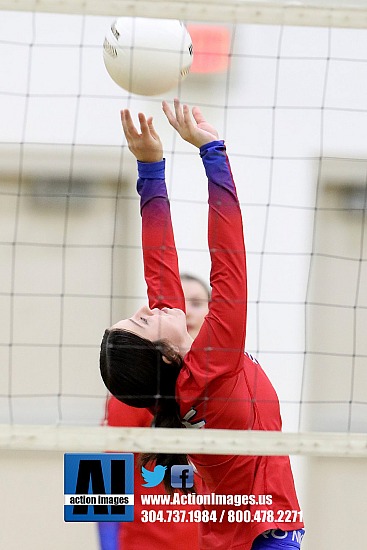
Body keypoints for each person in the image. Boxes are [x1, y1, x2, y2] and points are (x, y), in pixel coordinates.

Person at [100, 99, 305, 549]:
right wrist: (212, 151)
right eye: (145, 317)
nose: (164, 306)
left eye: (198, 302)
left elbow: (158, 264)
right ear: (164, 351)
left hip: (219, 538)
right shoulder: (208, 367)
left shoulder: (175, 376)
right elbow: (94, 486)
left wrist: (150, 168)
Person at [98, 274, 209, 550]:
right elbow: (101, 484)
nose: (187, 312)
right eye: (180, 303)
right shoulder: (131, 392)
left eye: (196, 303)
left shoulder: (230, 392)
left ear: (212, 314)